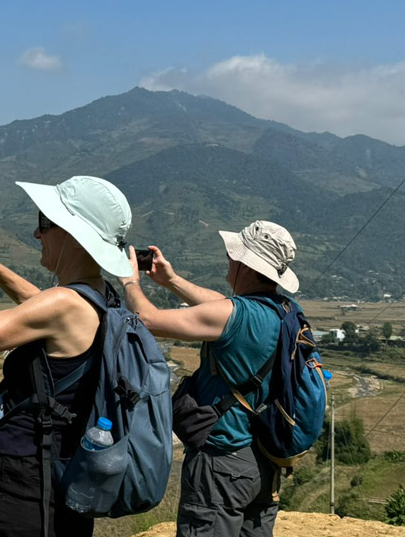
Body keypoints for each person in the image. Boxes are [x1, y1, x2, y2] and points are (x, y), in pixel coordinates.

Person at [0, 176, 135, 537]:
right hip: (64, 473)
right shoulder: (99, 295)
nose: (37, 234)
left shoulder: (65, 303)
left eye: (44, 223)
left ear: (71, 233)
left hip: (24, 482)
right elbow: (40, 304)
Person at [120, 220, 300, 537]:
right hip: (263, 461)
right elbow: (221, 304)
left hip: (222, 463)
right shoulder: (285, 311)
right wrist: (172, 280)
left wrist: (130, 282)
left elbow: (148, 319)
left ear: (245, 264)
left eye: (234, 255)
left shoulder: (237, 315)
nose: (228, 260)